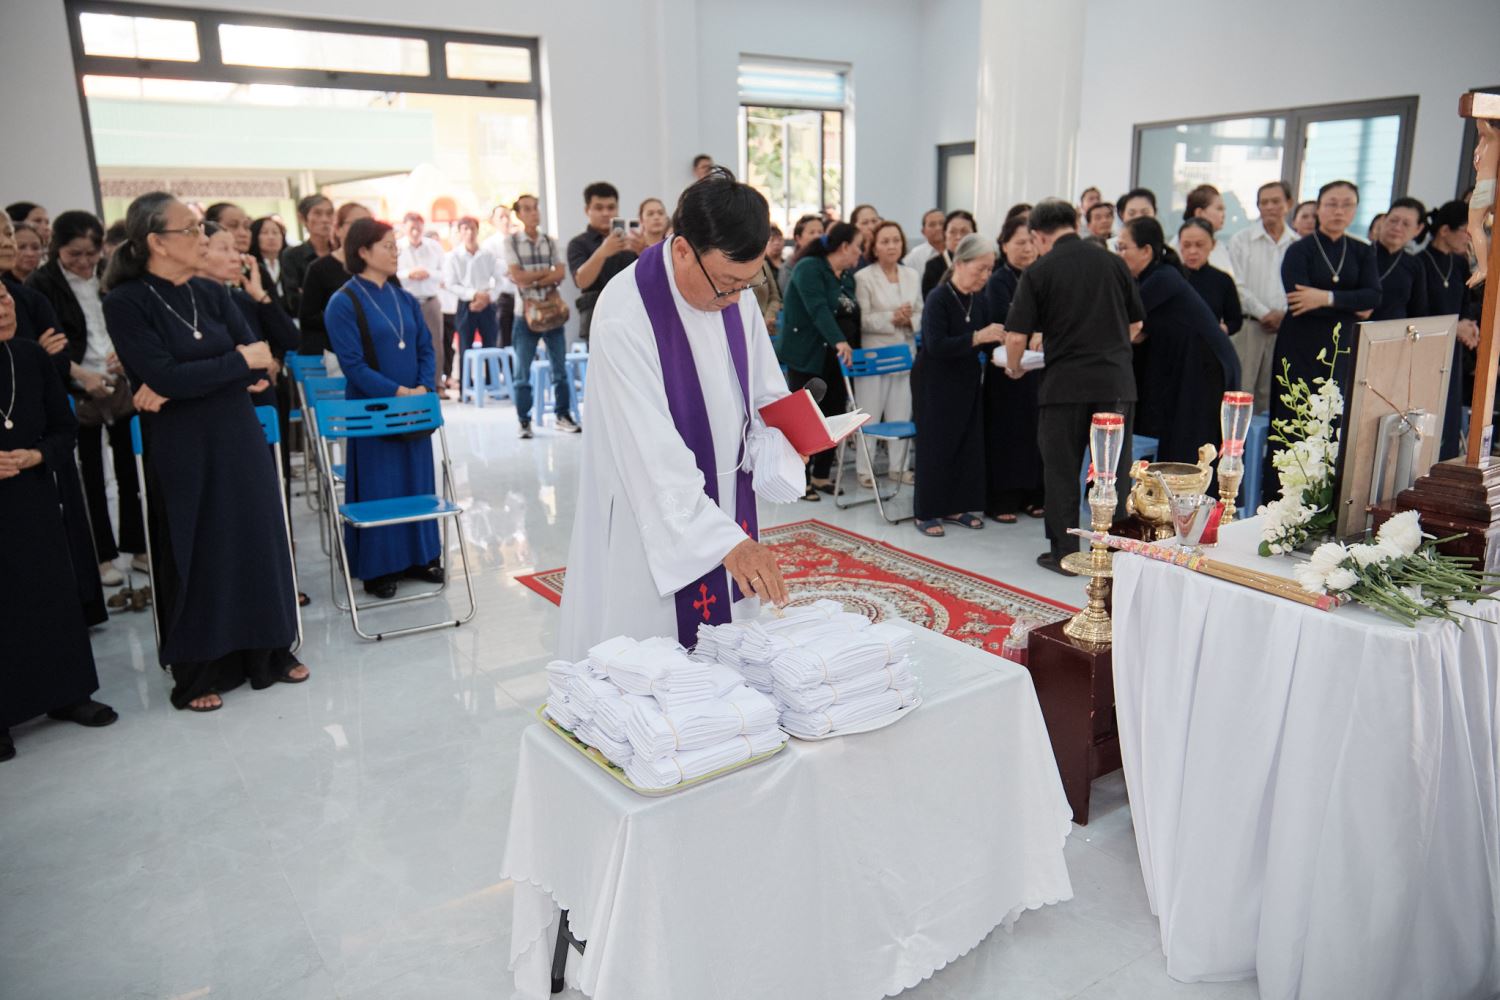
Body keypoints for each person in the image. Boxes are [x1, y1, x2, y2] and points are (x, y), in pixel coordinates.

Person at [557, 169, 790, 660]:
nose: (736, 299)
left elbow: (764, 391)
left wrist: (779, 441)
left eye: (747, 284)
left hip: (728, 499)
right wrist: (726, 542)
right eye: (727, 285)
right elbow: (651, 454)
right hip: (651, 516)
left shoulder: (733, 291)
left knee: (730, 661)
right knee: (651, 666)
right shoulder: (626, 313)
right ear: (683, 249)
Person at [103, 192, 304, 712]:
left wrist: (195, 377)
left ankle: (269, 652)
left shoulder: (211, 293)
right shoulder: (126, 302)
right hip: (183, 444)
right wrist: (227, 367)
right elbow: (166, 374)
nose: (202, 237)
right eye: (189, 229)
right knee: (197, 547)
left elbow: (260, 361)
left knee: (254, 538)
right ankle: (200, 670)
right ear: (157, 242)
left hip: (237, 434)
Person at [0, 283, 118, 762]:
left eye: (3, 295)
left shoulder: (29, 357)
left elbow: (64, 429)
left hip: (33, 494)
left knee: (49, 590)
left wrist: (37, 455)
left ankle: (68, 693)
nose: (4, 305)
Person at [1001, 198, 1143, 575]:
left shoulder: (1040, 270)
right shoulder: (1113, 262)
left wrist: (1014, 367)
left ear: (1037, 235)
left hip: (1064, 387)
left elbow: (1015, 337)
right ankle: (1114, 554)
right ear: (1076, 223)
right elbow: (1136, 325)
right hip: (1115, 384)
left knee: (1062, 472)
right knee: (1112, 471)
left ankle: (1064, 554)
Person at [322, 217, 444, 600]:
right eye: (388, 246)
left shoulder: (403, 297)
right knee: (381, 485)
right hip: (373, 409)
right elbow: (353, 365)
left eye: (396, 247)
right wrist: (397, 391)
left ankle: (420, 557)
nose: (395, 253)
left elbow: (425, 347)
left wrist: (423, 387)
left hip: (413, 406)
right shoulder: (343, 302)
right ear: (363, 251)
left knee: (417, 481)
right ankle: (379, 567)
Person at [27, 210, 148, 587]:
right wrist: (80, 375)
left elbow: (128, 321)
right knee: (90, 476)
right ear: (56, 249)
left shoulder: (111, 273)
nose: (83, 262)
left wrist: (126, 356)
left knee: (130, 470)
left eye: (90, 253)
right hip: (75, 386)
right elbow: (44, 344)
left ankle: (137, 546)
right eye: (73, 254)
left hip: (119, 380)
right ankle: (102, 556)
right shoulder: (42, 284)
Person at [1266, 180, 1381, 486]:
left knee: (1337, 418)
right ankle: (1283, 492)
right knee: (1296, 416)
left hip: (1343, 346)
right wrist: (1349, 303)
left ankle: (1330, 491)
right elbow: (1298, 299)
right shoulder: (1299, 249)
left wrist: (1325, 297)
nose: (1338, 211)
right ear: (1318, 208)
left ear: (1355, 210)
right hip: (1300, 345)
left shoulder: (1362, 251)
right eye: (1331, 204)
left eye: (1347, 205)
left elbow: (1373, 297)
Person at [1118, 217, 1241, 464]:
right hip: (1185, 362)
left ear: (1146, 251)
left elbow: (1124, 320)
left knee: (1192, 442)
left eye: (1123, 248)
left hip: (1205, 365)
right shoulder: (1148, 277)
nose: (1119, 255)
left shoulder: (1163, 277)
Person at [912, 233, 1006, 536]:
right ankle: (926, 510)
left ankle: (955, 505)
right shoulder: (939, 297)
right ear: (960, 264)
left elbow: (987, 341)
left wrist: (1009, 350)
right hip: (935, 381)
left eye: (990, 269)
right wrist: (978, 337)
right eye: (981, 268)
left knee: (965, 442)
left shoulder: (979, 298)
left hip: (966, 378)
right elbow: (936, 344)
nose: (986, 275)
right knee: (936, 444)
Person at [780, 223, 859, 499]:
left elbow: (851, 312)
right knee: (807, 417)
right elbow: (818, 309)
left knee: (834, 412)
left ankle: (821, 474)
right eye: (858, 246)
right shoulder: (809, 268)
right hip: (807, 352)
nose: (860, 252)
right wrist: (839, 340)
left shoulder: (846, 276)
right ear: (844, 246)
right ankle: (800, 478)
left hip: (835, 358)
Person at [982, 214, 1045, 522]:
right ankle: (1003, 499)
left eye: (1031, 242)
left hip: (1038, 368)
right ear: (1004, 245)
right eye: (1019, 242)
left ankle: (1035, 494)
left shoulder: (1043, 274)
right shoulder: (998, 281)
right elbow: (1000, 322)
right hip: (1006, 369)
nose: (1027, 248)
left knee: (1037, 432)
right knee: (1008, 433)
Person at [853, 220, 920, 488]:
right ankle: (864, 468)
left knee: (901, 412)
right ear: (874, 247)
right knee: (869, 412)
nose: (892, 246)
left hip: (904, 352)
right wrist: (892, 317)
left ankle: (898, 467)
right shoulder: (864, 277)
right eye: (885, 241)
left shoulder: (912, 275)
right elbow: (862, 319)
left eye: (896, 240)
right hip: (874, 355)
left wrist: (909, 320)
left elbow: (922, 311)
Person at [504, 193, 577, 437]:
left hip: (552, 312)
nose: (533, 212)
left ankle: (562, 415)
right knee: (522, 373)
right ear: (518, 214)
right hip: (524, 315)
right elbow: (518, 277)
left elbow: (560, 273)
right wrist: (546, 274)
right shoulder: (511, 242)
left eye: (535, 207)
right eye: (527, 209)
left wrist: (531, 279)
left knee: (560, 370)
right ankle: (524, 421)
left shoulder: (549, 241)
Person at [1228, 180, 1296, 412]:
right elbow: (1236, 285)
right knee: (1241, 390)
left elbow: (1300, 286)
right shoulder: (1241, 240)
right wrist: (1264, 313)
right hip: (1250, 325)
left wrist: (1283, 314)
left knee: (1275, 393)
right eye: (1263, 202)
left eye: (1275, 201)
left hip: (1286, 326)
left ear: (1289, 204)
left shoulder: (1297, 244)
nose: (1269, 207)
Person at [1422, 200, 1481, 460]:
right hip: (1427, 349)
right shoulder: (1420, 262)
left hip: (1453, 349)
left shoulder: (1458, 264)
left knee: (1449, 412)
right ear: (1445, 231)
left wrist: (1469, 325)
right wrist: (1453, 327)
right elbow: (1419, 311)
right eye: (1465, 231)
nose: (1469, 238)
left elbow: (1466, 303)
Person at [568, 182, 643, 342]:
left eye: (611, 207)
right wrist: (602, 252)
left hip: (632, 316)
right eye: (599, 208)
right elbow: (581, 281)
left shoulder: (632, 241)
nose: (605, 213)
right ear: (587, 210)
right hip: (596, 317)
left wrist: (644, 252)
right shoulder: (578, 243)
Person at [298, 202, 370, 359]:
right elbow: (308, 317)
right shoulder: (319, 268)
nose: (364, 230)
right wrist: (347, 318)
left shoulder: (378, 266)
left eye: (368, 224)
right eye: (355, 224)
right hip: (336, 353)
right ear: (338, 229)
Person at [395, 212, 446, 392]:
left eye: (418, 228)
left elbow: (445, 273)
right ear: (404, 228)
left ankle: (436, 384)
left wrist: (428, 273)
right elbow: (391, 274)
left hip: (430, 301)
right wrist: (409, 274)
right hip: (405, 302)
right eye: (412, 228)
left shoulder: (434, 247)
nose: (415, 232)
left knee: (435, 344)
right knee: (406, 344)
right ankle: (410, 385)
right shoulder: (397, 247)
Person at [445, 216, 499, 385]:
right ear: (460, 232)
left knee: (491, 344)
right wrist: (474, 294)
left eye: (472, 229)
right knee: (465, 347)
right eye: (465, 229)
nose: (469, 233)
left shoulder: (488, 254)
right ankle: (465, 387)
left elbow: (499, 280)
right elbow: (451, 284)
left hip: (487, 303)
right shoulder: (453, 256)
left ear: (477, 231)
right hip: (466, 304)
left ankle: (492, 383)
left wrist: (487, 297)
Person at [1178, 219, 1242, 335]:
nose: (1192, 251)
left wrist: (1221, 330)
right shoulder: (1170, 278)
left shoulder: (1223, 280)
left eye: (1199, 245)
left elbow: (1235, 320)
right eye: (1186, 245)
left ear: (1213, 244)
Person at [1369, 198, 1427, 322]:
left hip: (1396, 331)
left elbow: (1417, 311)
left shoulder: (1415, 264)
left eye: (1406, 224)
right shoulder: (1361, 253)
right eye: (1393, 220)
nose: (1397, 228)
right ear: (1383, 220)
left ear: (1418, 229)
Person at [280, 193, 334, 316]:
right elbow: (295, 301)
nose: (325, 219)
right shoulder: (292, 255)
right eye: (318, 213)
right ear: (303, 218)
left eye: (329, 213)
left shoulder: (341, 252)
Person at [481, 203, 519, 349]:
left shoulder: (518, 240)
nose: (505, 220)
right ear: (493, 221)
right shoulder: (489, 244)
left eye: (507, 216)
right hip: (502, 297)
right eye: (501, 217)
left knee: (520, 339)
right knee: (503, 338)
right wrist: (512, 268)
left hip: (520, 296)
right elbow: (492, 266)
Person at [1180, 184, 1235, 276]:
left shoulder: (1220, 247)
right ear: (1199, 213)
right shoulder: (1177, 246)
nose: (1223, 215)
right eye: (1219, 209)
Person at [921, 210, 977, 300]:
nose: (958, 237)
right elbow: (929, 301)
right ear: (945, 235)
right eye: (952, 232)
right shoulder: (933, 265)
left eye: (964, 232)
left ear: (974, 235)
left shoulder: (985, 262)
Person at [249, 216, 291, 314]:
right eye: (264, 233)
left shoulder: (290, 262)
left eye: (275, 232)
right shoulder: (251, 265)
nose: (271, 237)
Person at [780, 214, 824, 296]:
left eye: (820, 232)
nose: (817, 236)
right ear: (798, 238)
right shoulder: (789, 266)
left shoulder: (828, 261)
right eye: (812, 232)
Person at [753, 225, 784, 335]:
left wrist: (769, 316)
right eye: (772, 240)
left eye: (779, 239)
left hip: (767, 326)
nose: (776, 243)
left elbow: (775, 296)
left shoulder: (763, 265)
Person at [903, 208, 946, 273]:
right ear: (923, 231)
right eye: (932, 225)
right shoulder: (914, 256)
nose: (938, 228)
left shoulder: (956, 251)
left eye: (942, 224)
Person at [849, 203, 881, 269]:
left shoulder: (886, 247)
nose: (871, 227)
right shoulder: (850, 251)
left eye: (874, 221)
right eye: (865, 223)